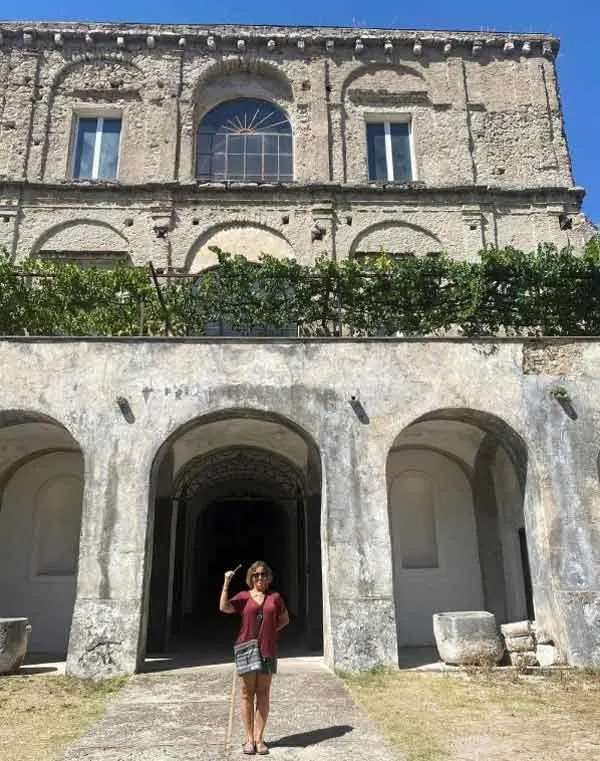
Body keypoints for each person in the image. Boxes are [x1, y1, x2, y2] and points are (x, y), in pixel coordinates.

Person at [220, 560, 289, 755]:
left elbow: (285, 619)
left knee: (264, 694)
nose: (260, 577)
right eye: (256, 574)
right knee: (246, 693)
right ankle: (249, 739)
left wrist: (270, 632)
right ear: (251, 578)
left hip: (268, 650)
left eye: (263, 574)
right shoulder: (244, 597)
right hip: (246, 649)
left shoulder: (275, 598)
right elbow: (224, 607)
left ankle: (260, 739)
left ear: (268, 578)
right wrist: (226, 582)